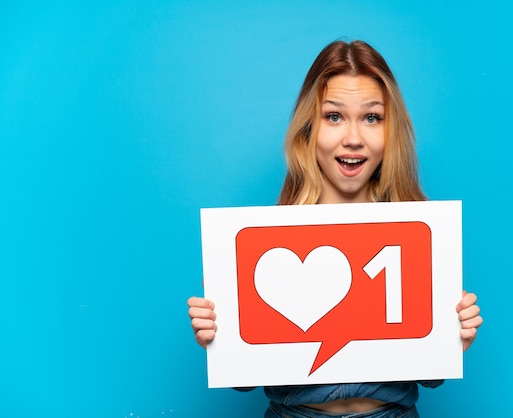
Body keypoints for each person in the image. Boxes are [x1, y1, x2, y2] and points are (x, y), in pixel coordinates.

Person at [188, 40, 483, 418]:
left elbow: (431, 378)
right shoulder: (266, 244)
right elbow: (244, 380)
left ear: (391, 130)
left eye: (372, 117)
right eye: (334, 116)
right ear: (309, 128)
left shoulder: (419, 232)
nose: (354, 138)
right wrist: (218, 335)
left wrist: (453, 338)